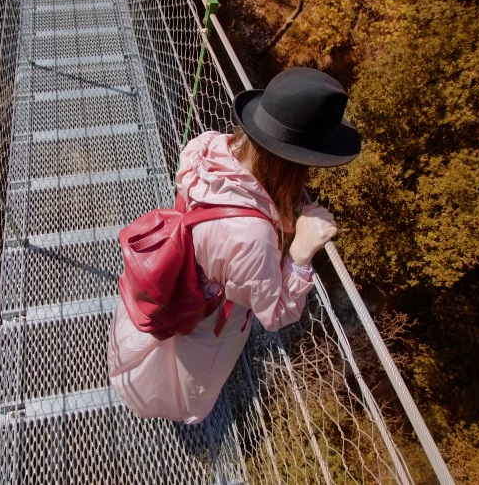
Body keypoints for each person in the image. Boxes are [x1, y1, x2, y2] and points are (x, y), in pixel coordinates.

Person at [107, 67, 361, 424]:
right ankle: (164, 407)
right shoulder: (251, 237)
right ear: (298, 163)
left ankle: (137, 381)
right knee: (178, 373)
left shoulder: (208, 146)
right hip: (203, 315)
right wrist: (301, 255)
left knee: (157, 352)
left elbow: (231, 213)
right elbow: (274, 314)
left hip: (176, 270)